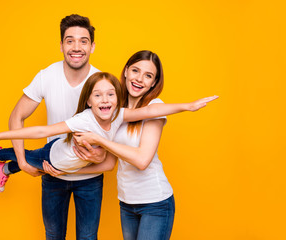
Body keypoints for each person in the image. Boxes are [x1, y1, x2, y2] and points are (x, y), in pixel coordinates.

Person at [45, 50, 212, 240]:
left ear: (154, 83)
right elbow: (109, 164)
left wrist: (100, 140)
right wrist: (62, 171)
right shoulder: (114, 108)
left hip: (155, 203)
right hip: (126, 203)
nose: (140, 79)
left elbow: (142, 160)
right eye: (135, 71)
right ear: (125, 71)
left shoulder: (154, 108)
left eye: (148, 76)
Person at [0, 72, 217, 194]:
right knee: (30, 158)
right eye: (98, 96)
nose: (105, 100)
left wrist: (188, 106)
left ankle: (6, 168)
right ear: (88, 101)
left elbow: (152, 111)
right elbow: (43, 130)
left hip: (69, 167)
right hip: (54, 156)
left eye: (110, 95)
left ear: (118, 99)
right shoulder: (82, 120)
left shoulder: (119, 114)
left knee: (30, 166)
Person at [7, 14, 102, 240]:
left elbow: (114, 129)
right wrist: (21, 161)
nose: (76, 47)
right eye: (70, 40)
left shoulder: (101, 81)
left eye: (83, 41)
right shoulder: (47, 76)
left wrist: (99, 156)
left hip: (89, 177)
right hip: (52, 172)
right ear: (61, 45)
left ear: (93, 46)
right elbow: (16, 117)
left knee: (88, 238)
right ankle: (5, 162)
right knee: (53, 236)